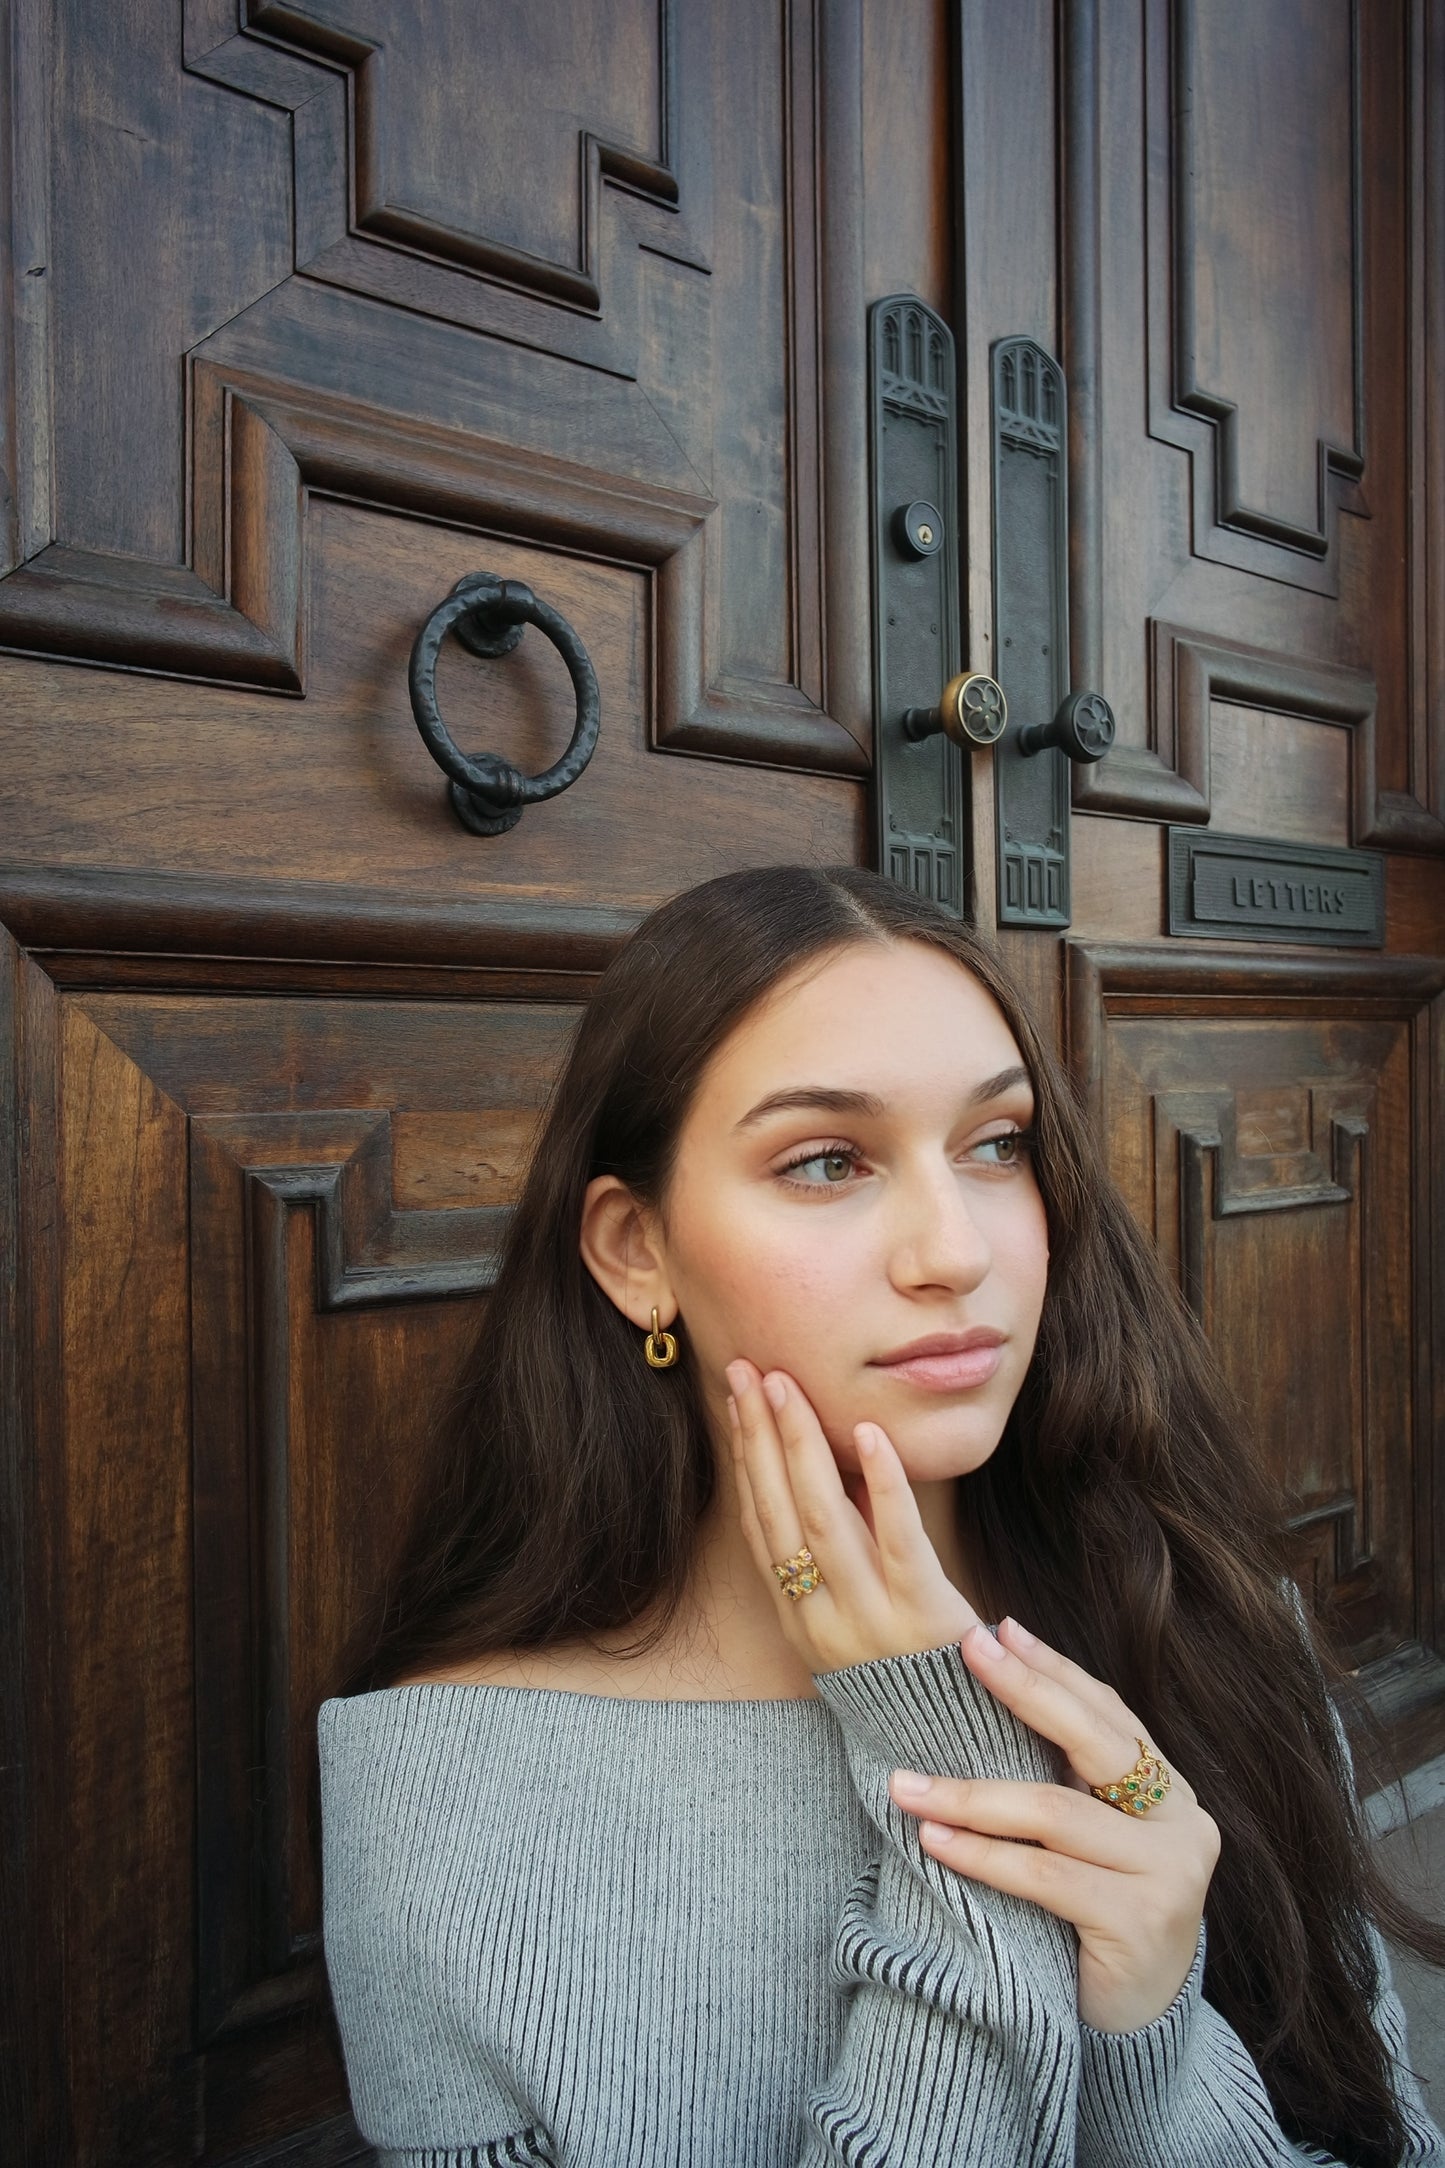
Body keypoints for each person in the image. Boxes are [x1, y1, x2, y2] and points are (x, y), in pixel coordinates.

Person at [319, 864, 1445, 2167]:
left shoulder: (1202, 1621)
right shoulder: (445, 1789)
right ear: (638, 1252)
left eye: (996, 1145)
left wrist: (1148, 2041)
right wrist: (952, 1773)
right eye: (824, 1161)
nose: (952, 1250)